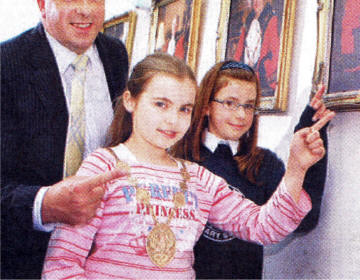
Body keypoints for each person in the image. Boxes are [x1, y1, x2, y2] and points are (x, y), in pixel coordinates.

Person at [42, 53, 333, 279]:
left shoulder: (199, 179)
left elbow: (262, 227)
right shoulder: (102, 166)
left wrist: (297, 168)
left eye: (184, 109)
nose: (172, 120)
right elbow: (63, 262)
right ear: (131, 101)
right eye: (160, 104)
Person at [1, 0, 129, 279]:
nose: (85, 11)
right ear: (43, 4)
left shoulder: (115, 55)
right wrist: (44, 204)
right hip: (24, 258)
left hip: (105, 257)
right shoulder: (6, 66)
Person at [173, 61, 335, 279]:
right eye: (230, 103)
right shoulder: (178, 160)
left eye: (249, 106)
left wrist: (308, 136)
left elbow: (305, 219)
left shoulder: (262, 164)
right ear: (205, 106)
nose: (241, 115)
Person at [233, 0, 280, 97]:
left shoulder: (271, 19)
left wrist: (262, 70)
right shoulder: (247, 22)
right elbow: (239, 54)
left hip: (261, 80)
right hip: (243, 80)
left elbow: (275, 54)